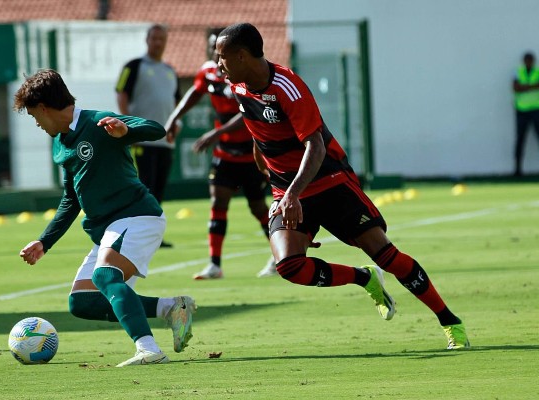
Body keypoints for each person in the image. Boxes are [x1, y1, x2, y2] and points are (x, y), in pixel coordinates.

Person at [213, 23, 470, 350]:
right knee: (289, 266)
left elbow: (316, 147)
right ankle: (363, 278)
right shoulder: (238, 87)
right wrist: (270, 173)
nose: (217, 64)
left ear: (242, 55)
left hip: (328, 181)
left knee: (384, 253)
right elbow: (258, 131)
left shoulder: (288, 88)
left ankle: (450, 320)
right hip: (286, 190)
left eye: (221, 57)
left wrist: (292, 193)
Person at [13, 69, 196, 367]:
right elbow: (71, 198)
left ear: (45, 109)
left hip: (138, 216)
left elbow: (156, 129)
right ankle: (172, 309)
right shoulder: (60, 143)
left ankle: (148, 348)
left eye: (35, 115)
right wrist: (44, 241)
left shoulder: (98, 121)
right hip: (108, 229)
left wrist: (126, 131)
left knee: (104, 275)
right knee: (82, 302)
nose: (36, 122)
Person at [164, 28, 276, 279]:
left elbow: (247, 110)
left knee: (259, 208)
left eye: (222, 50)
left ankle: (280, 255)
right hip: (225, 154)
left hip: (251, 153)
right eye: (214, 48)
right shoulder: (209, 73)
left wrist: (215, 133)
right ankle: (214, 264)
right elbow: (195, 92)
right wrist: (173, 118)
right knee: (218, 203)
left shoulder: (241, 76)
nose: (217, 55)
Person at [116, 24, 181, 247]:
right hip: (142, 139)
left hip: (165, 141)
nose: (158, 42)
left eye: (161, 38)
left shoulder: (170, 71)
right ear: (147, 40)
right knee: (143, 187)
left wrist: (176, 124)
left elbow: (175, 102)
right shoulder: (134, 66)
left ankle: (153, 235)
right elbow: (121, 92)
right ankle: (133, 234)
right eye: (154, 38)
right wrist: (128, 126)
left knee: (158, 190)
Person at [513, 51, 539, 177]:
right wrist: (532, 87)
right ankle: (518, 170)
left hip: (536, 109)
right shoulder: (518, 72)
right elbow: (515, 87)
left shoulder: (537, 72)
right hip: (522, 110)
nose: (528, 63)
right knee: (520, 140)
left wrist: (525, 87)